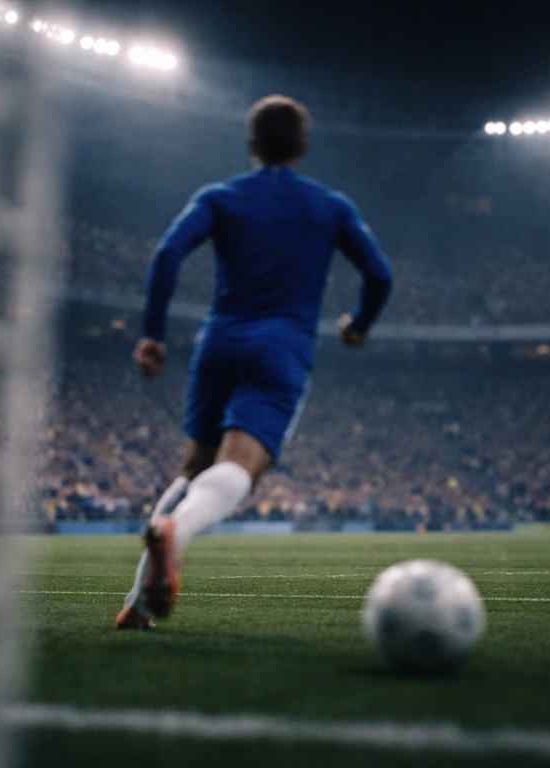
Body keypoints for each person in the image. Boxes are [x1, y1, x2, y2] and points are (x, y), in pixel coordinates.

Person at [116, 95, 393, 629]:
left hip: (217, 342)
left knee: (195, 470)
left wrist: (152, 333)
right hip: (280, 347)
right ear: (302, 148)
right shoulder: (330, 205)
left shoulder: (221, 197)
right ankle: (176, 537)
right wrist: (357, 325)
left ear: (251, 147)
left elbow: (168, 253)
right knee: (240, 467)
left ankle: (136, 605)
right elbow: (379, 275)